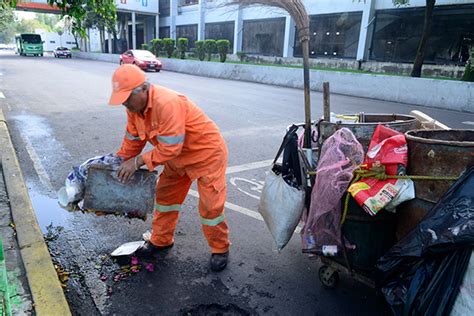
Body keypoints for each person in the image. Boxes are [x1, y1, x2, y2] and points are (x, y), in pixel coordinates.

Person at [109, 64, 230, 271]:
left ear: (144, 89)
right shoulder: (134, 110)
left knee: (211, 208)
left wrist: (137, 162)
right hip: (177, 160)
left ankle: (220, 248)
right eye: (122, 100)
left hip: (206, 155)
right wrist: (118, 162)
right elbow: (132, 139)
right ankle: (161, 240)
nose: (125, 104)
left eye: (128, 98)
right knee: (166, 199)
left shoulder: (167, 102)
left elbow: (171, 147)